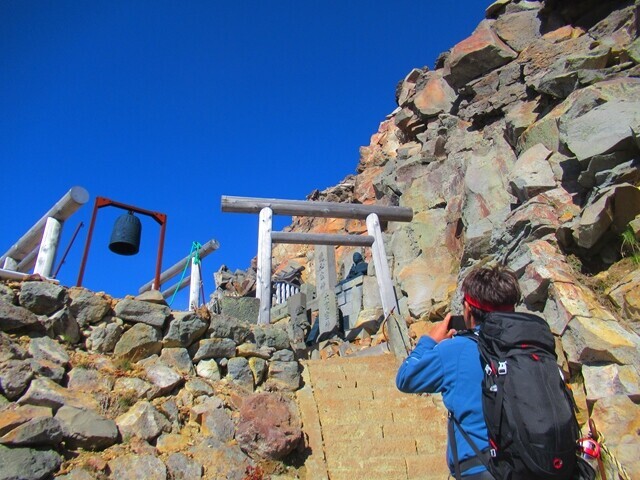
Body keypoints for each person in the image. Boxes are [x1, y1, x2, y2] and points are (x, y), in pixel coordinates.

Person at [396, 265, 521, 480]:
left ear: (469, 310)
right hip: (536, 462)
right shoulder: (532, 346)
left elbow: (406, 378)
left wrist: (429, 341)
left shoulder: (455, 350)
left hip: (481, 467)